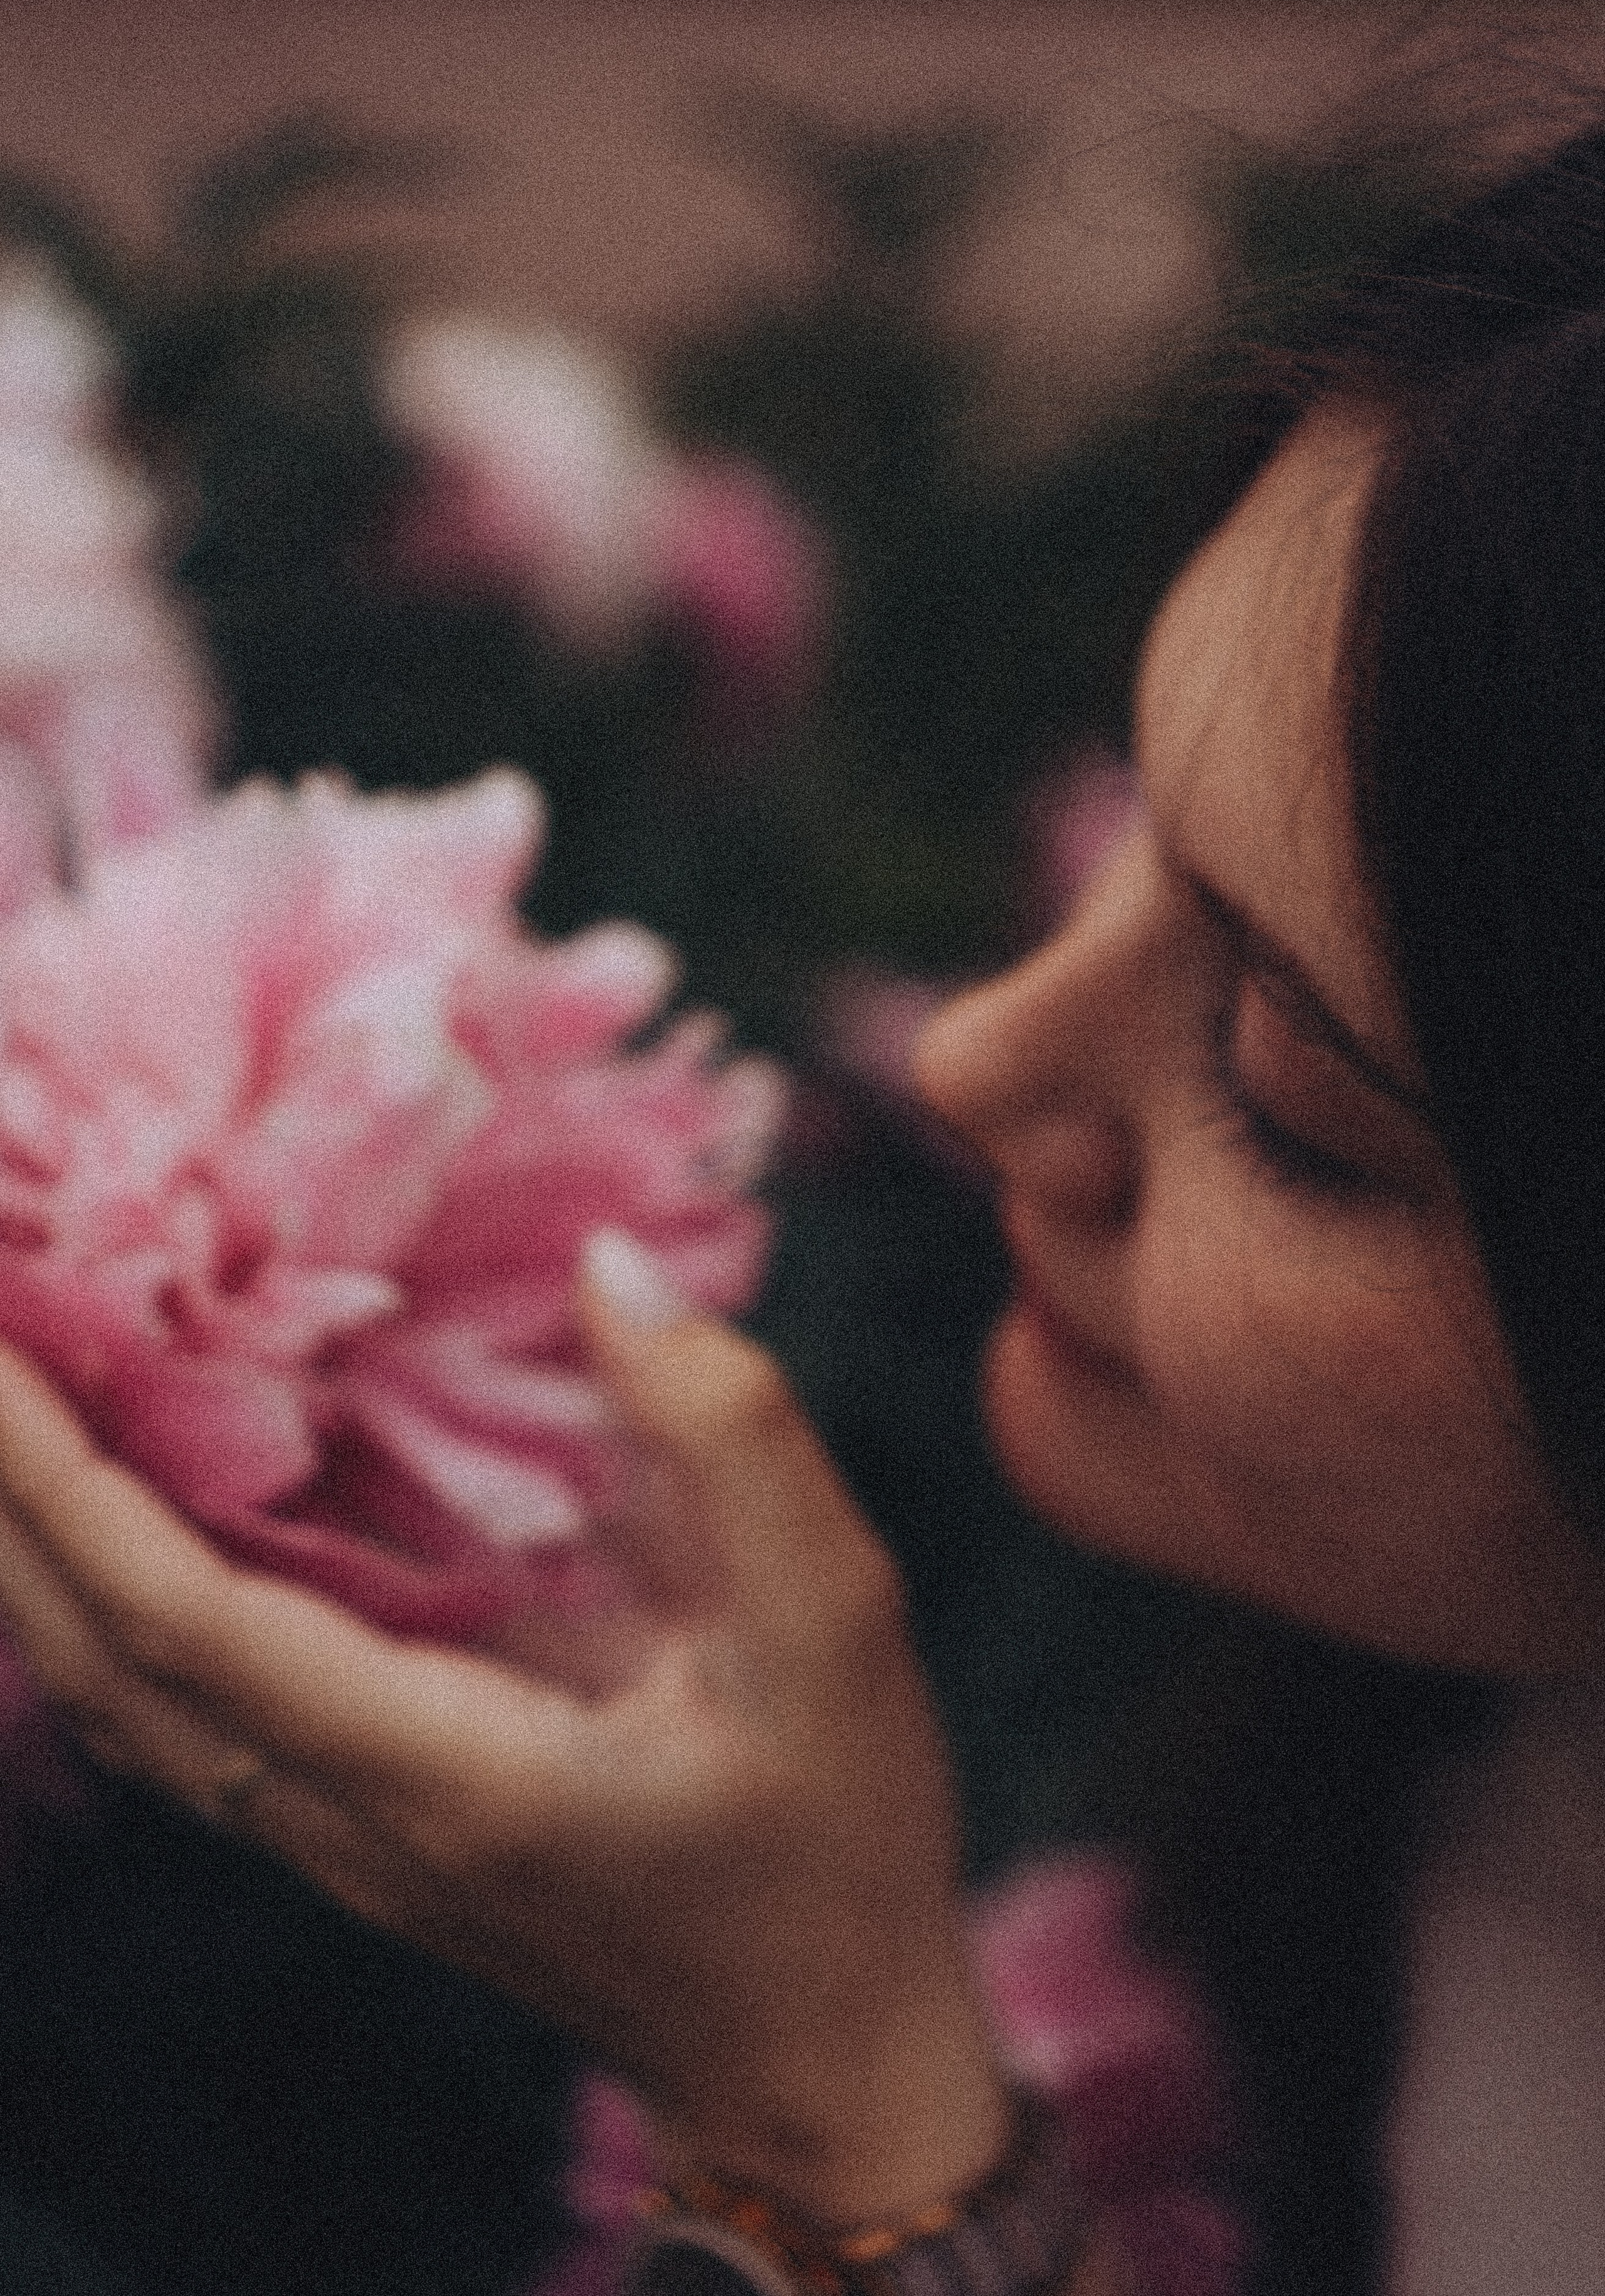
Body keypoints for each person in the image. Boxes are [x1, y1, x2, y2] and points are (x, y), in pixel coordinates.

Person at [3, 121, 1605, 2296]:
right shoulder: (1394, 1772)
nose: (972, 1057)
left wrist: (828, 2095)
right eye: (1144, 812)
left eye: (1288, 1089)